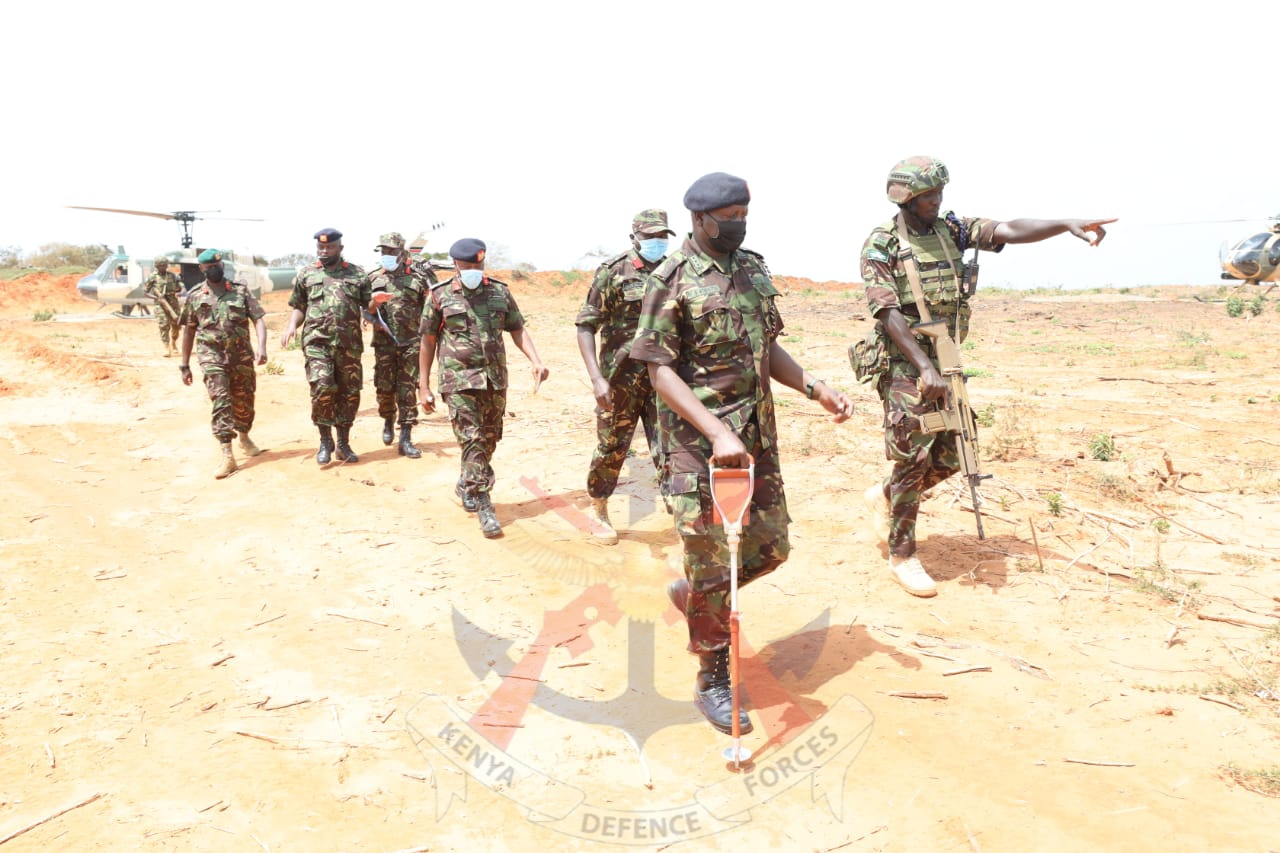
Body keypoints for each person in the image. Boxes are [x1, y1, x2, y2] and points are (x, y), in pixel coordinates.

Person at [630, 173, 855, 735]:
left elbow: (766, 345)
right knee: (713, 563)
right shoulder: (670, 279)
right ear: (699, 219)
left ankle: (694, 595)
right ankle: (712, 678)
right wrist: (716, 433)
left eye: (744, 215)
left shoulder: (751, 268)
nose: (739, 225)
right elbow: (659, 372)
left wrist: (814, 387)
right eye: (728, 217)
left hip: (754, 438)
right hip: (698, 447)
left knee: (772, 546)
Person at [858, 155, 1115, 597]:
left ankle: (887, 495)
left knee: (954, 455)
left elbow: (1008, 229)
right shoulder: (882, 244)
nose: (937, 201)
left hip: (946, 359)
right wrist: (923, 368)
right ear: (905, 197)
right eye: (928, 195)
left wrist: (1065, 224)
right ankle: (903, 554)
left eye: (940, 192)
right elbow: (886, 312)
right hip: (905, 363)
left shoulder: (951, 230)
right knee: (913, 457)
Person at [418, 238, 550, 539]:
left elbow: (517, 328)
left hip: (494, 380)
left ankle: (467, 481)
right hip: (458, 380)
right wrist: (423, 386)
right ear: (456, 265)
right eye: (467, 266)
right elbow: (427, 341)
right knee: (472, 439)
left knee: (489, 439)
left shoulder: (499, 292)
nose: (473, 270)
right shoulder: (439, 295)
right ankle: (484, 503)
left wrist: (535, 360)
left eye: (478, 264)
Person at [574, 208, 673, 543]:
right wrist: (597, 379)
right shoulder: (613, 271)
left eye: (662, 236)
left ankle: (682, 511)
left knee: (671, 446)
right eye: (650, 236)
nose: (657, 241)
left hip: (666, 380)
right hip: (620, 381)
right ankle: (599, 508)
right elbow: (586, 326)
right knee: (612, 446)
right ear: (635, 238)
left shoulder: (676, 271)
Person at [280, 228, 390, 466]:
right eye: (320, 247)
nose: (324, 251)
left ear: (340, 248)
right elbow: (299, 306)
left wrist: (376, 302)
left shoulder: (357, 274)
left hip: (348, 345)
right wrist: (291, 326)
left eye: (329, 247)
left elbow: (368, 308)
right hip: (316, 342)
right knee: (322, 387)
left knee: (349, 394)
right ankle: (324, 440)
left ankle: (342, 443)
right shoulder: (306, 273)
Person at [177, 248, 269, 479]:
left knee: (244, 401)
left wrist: (262, 347)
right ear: (202, 269)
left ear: (222, 265)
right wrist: (184, 365)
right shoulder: (195, 295)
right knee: (221, 401)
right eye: (209, 267)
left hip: (241, 357)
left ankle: (244, 436)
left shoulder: (240, 291)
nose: (214, 269)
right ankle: (227, 454)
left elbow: (258, 319)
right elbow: (189, 331)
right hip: (212, 358)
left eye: (217, 266)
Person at [368, 232, 435, 459]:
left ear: (402, 253)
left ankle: (405, 437)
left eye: (391, 251)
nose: (386, 254)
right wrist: (373, 306)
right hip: (384, 344)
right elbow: (365, 311)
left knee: (407, 389)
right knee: (384, 388)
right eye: (383, 251)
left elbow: (429, 310)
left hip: (411, 343)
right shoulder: (373, 279)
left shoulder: (417, 279)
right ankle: (388, 418)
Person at [144, 255, 183, 357]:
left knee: (176, 325)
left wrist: (180, 292)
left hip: (173, 303)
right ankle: (166, 347)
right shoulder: (152, 277)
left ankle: (174, 343)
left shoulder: (173, 276)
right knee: (163, 325)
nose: (163, 267)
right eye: (160, 266)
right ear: (156, 266)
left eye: (164, 265)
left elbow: (182, 288)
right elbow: (145, 292)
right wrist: (156, 297)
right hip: (160, 305)